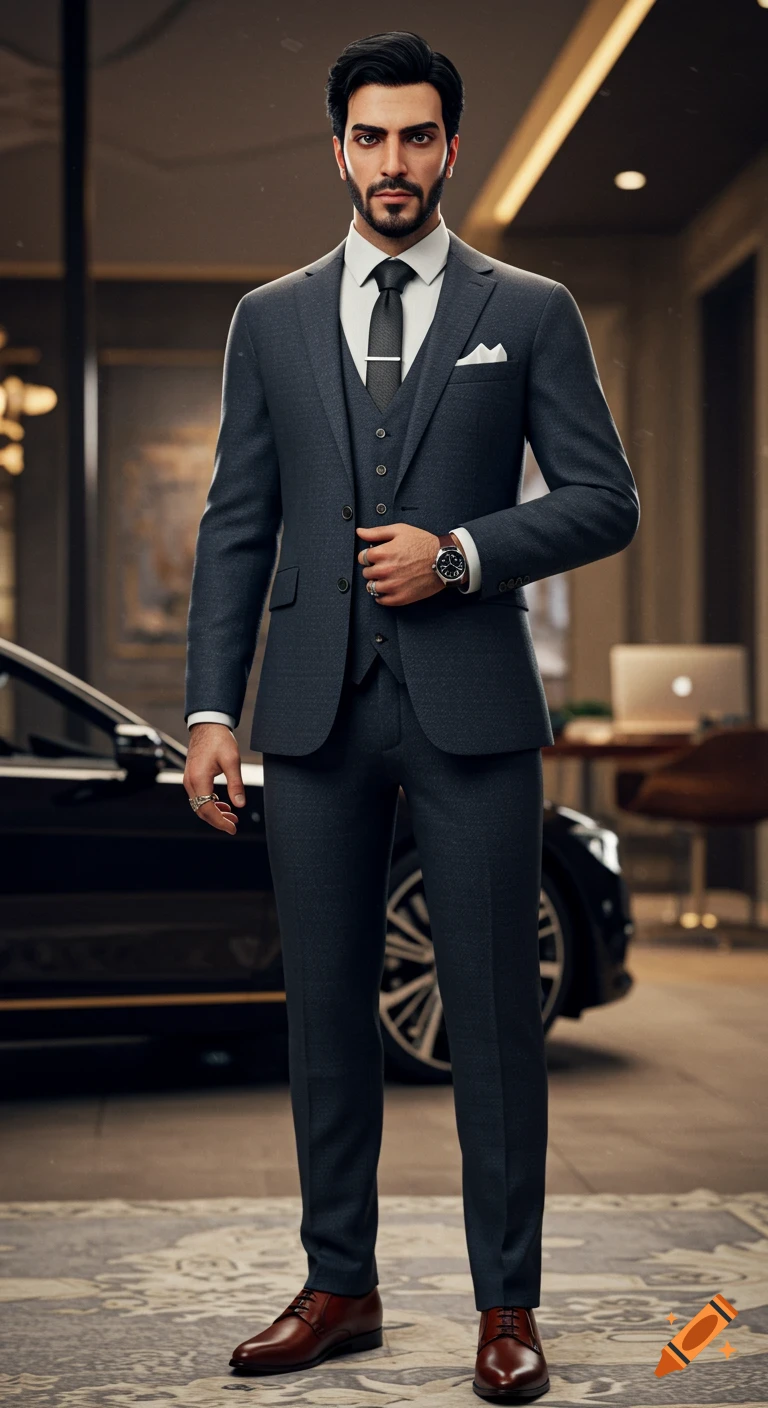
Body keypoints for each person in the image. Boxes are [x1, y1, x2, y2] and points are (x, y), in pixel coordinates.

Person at [183, 30, 640, 1403]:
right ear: (340, 150)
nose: (394, 162)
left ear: (451, 146)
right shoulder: (267, 318)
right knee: (324, 1013)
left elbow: (605, 497)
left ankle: (510, 1309)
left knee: (495, 1015)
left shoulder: (533, 307)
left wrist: (463, 553)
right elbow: (235, 524)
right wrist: (213, 710)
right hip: (313, 713)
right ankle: (341, 1288)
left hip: (473, 707)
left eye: (417, 137)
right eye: (370, 138)